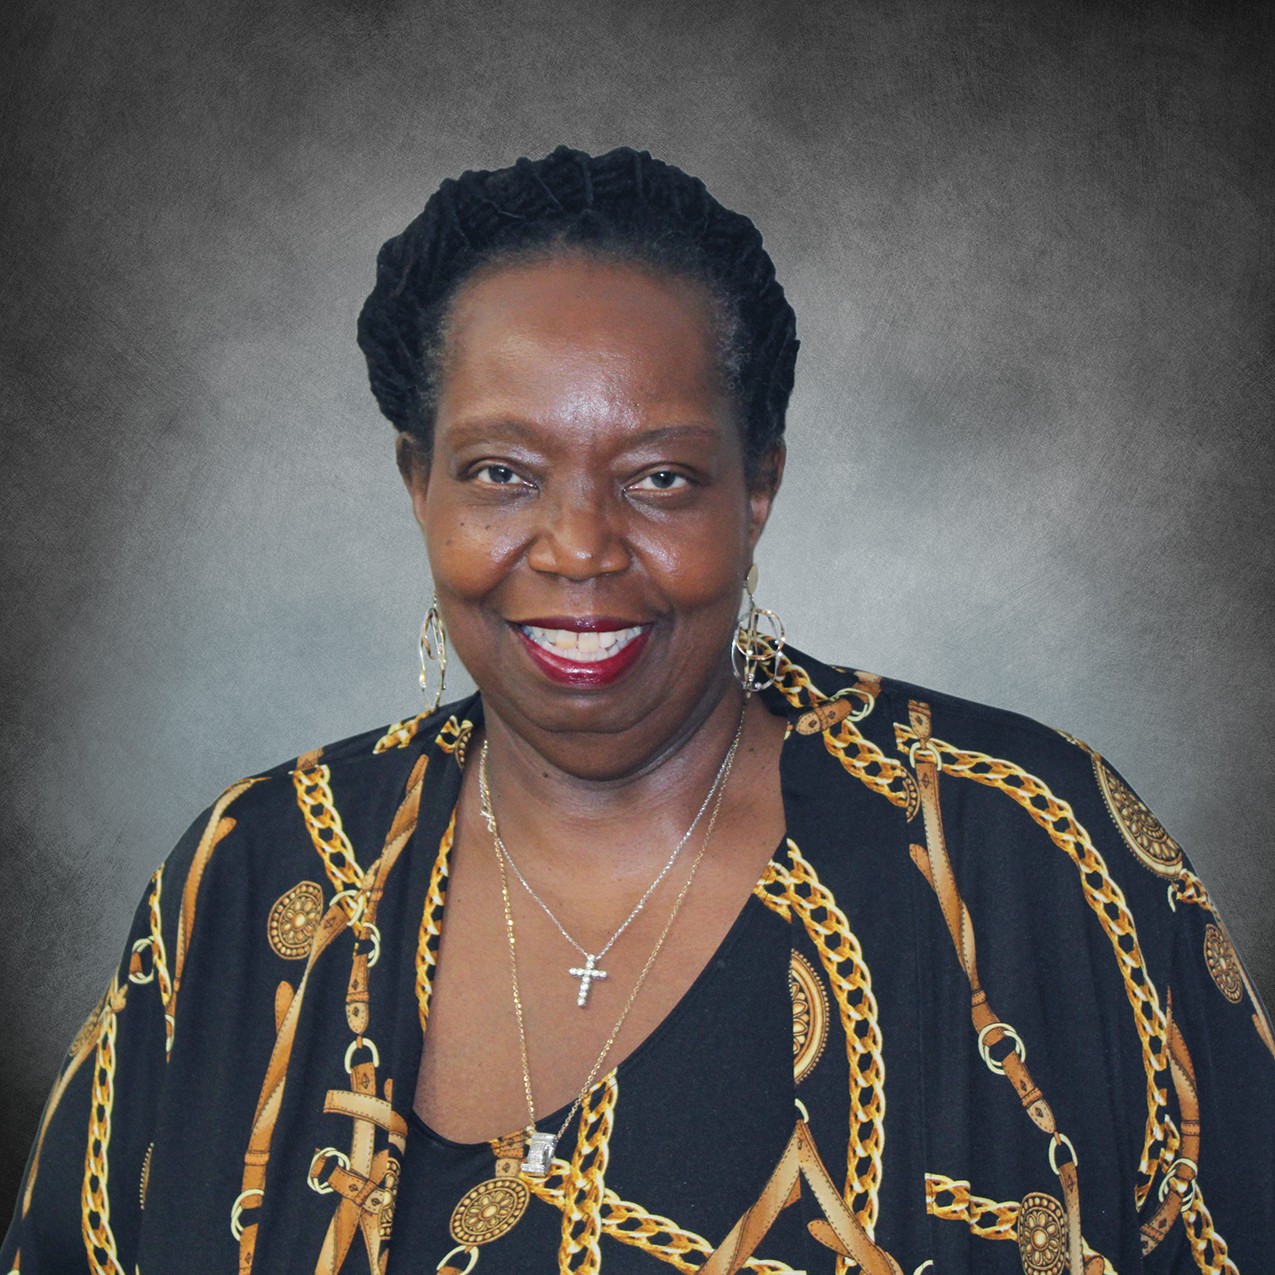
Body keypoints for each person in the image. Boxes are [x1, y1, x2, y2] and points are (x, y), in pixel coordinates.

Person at [3, 145, 1272, 1275]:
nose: (578, 548)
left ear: (756, 490)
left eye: (660, 478)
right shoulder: (252, 879)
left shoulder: (1021, 847)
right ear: (418, 484)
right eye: (502, 473)